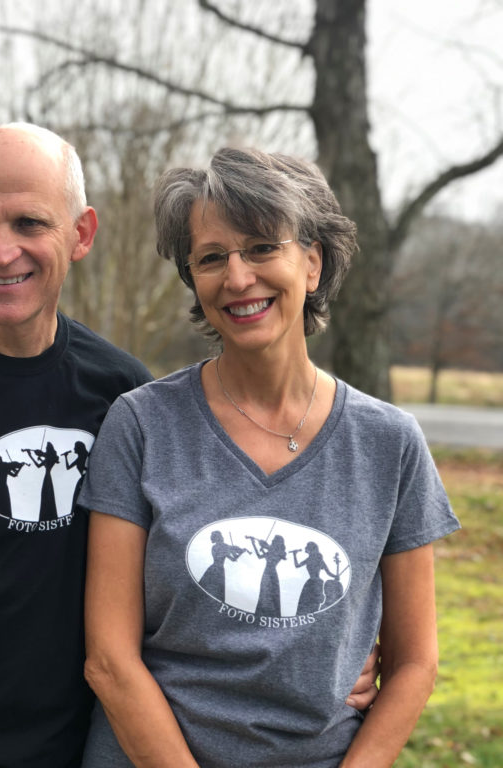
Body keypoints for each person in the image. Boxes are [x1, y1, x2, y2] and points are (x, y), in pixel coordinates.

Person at [0, 127, 380, 768]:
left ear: (82, 233)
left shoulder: (124, 394)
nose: (2, 252)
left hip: (94, 749)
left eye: (30, 222)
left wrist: (341, 650)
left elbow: (206, 563)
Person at [79, 148, 460, 768]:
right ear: (193, 281)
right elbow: (110, 661)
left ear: (312, 262)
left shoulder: (390, 444)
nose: (237, 277)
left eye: (261, 247)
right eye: (211, 258)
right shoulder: (142, 425)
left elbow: (416, 663)